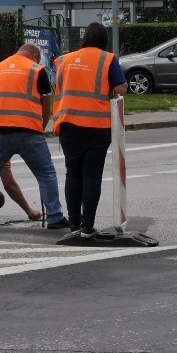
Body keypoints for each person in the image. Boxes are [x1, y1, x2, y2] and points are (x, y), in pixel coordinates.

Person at [0, 43, 71, 229]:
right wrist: (41, 127)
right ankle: (54, 216)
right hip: (29, 132)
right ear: (35, 56)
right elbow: (46, 105)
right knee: (45, 174)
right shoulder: (37, 70)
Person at [53, 22, 128, 238]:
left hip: (67, 124)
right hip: (97, 126)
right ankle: (87, 227)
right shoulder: (107, 59)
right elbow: (121, 87)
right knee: (92, 176)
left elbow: (58, 86)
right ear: (104, 39)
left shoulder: (64, 60)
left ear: (85, 38)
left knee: (73, 174)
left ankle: (74, 226)